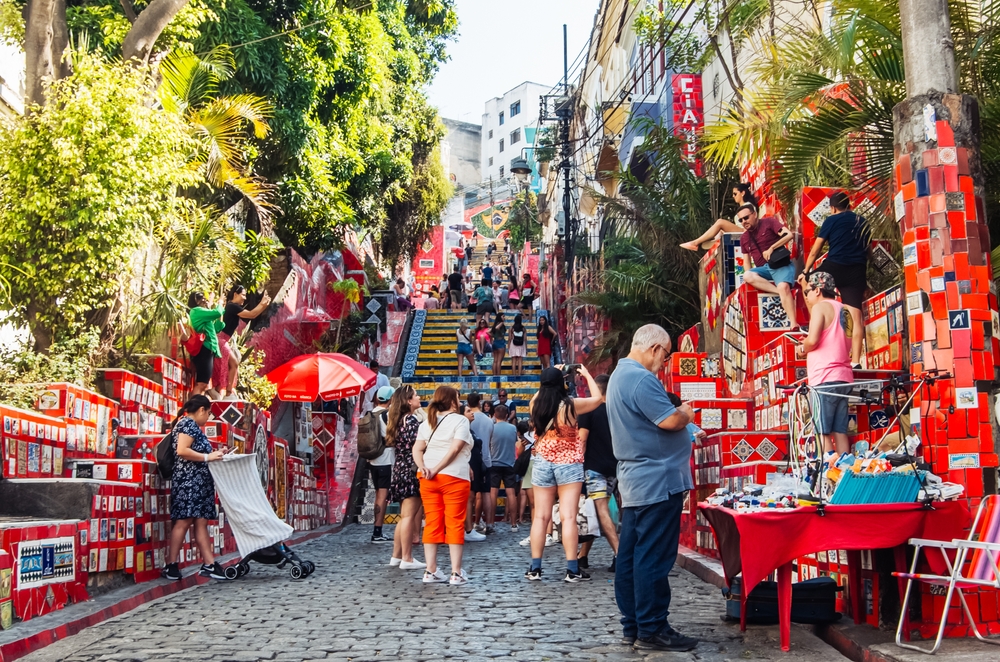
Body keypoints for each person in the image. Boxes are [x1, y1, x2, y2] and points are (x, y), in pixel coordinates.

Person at [606, 324, 698, 652]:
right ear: (655, 348)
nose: (665, 361)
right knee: (653, 556)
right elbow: (669, 420)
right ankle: (652, 627)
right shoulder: (640, 378)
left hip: (637, 480)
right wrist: (685, 413)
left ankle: (634, 624)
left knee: (633, 554)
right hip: (656, 480)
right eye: (666, 354)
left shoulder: (619, 375)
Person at [525, 365, 604, 583]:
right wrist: (587, 375)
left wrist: (550, 377)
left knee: (540, 517)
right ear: (562, 383)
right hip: (568, 463)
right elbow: (597, 399)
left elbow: (543, 392)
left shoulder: (535, 404)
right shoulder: (570, 405)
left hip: (542, 463)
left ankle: (535, 568)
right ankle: (572, 568)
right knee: (568, 516)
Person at [412, 386, 474, 585]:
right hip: (454, 476)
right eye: (457, 398)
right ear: (452, 401)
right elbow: (456, 448)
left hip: (428, 478)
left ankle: (430, 570)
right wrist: (437, 468)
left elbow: (417, 449)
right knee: (454, 522)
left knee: (431, 521)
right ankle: (456, 572)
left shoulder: (427, 421)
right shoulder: (460, 420)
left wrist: (424, 468)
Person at [800, 191, 870, 366]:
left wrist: (806, 270)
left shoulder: (831, 220)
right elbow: (868, 250)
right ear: (849, 205)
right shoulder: (862, 221)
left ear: (832, 208)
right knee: (856, 317)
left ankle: (816, 323)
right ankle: (855, 361)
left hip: (834, 267)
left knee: (806, 284)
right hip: (857, 270)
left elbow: (816, 250)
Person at [162, 395, 228, 581]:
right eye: (208, 413)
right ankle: (171, 564)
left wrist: (214, 454)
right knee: (183, 521)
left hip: (197, 483)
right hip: (189, 482)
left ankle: (209, 563)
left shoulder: (191, 426)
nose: (208, 417)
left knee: (200, 522)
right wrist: (208, 457)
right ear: (201, 410)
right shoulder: (188, 425)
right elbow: (182, 450)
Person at [797, 272, 854, 455]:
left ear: (818, 290)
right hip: (844, 377)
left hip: (824, 377)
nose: (807, 296)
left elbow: (813, 340)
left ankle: (829, 474)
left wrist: (802, 348)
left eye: (807, 292)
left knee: (822, 432)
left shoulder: (820, 308)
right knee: (840, 431)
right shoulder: (845, 309)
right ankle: (843, 471)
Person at [576, 374, 619, 573]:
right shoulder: (616, 411)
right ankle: (582, 556)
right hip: (613, 467)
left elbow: (582, 439)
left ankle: (620, 556)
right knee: (594, 510)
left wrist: (576, 463)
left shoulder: (588, 409)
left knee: (601, 511)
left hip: (593, 467)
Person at [738, 203, 799, 328]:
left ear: (754, 214)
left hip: (779, 265)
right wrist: (749, 283)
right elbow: (746, 261)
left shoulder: (769, 222)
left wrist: (772, 248)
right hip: (763, 269)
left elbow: (788, 234)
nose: (744, 221)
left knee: (783, 287)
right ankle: (778, 293)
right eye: (741, 220)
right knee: (747, 275)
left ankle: (794, 323)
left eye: (746, 217)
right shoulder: (744, 238)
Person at [387, 385, 426, 570]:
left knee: (404, 517)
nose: (419, 398)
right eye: (416, 395)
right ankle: (407, 557)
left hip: (400, 469)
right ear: (408, 401)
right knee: (409, 516)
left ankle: (397, 555)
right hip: (411, 470)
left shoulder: (399, 420)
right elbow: (419, 446)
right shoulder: (411, 422)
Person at [214, 285, 271, 400]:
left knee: (225, 366)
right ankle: (228, 392)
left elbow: (253, 315)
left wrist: (263, 305)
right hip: (221, 340)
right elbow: (252, 315)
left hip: (222, 340)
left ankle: (224, 392)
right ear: (235, 294)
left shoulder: (232, 307)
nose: (245, 298)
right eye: (243, 295)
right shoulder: (232, 307)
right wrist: (262, 304)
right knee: (233, 363)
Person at [680, 183, 759, 251]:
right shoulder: (744, 207)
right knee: (720, 231)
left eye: (735, 194)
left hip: (746, 232)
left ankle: (695, 243)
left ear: (743, 193)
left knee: (720, 222)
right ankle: (717, 240)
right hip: (741, 232)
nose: (733, 196)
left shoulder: (748, 206)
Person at [369, 386, 395, 543]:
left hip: (373, 460)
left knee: (379, 492)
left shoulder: (370, 414)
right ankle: (377, 532)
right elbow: (391, 437)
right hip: (385, 459)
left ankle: (377, 530)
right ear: (390, 399)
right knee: (382, 495)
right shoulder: (386, 415)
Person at [467, 392, 495, 535]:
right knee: (485, 493)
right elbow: (490, 439)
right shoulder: (488, 420)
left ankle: (470, 524)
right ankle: (489, 522)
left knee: (470, 494)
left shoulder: (466, 418)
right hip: (485, 459)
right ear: (479, 402)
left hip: (470, 460)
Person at [489, 405, 520, 531]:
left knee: (492, 494)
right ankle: (513, 523)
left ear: (494, 415)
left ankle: (490, 523)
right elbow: (515, 443)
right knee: (511, 493)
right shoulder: (512, 428)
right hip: (509, 464)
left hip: (494, 463)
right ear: (507, 415)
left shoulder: (491, 428)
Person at [187, 292, 224, 397]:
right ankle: (194, 409)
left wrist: (219, 310)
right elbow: (217, 312)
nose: (204, 300)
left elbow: (218, 327)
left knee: (203, 384)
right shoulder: (196, 311)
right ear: (195, 301)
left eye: (204, 298)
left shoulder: (203, 313)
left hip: (208, 350)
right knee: (201, 384)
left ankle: (196, 407)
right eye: (200, 298)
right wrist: (220, 303)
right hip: (204, 350)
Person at [460, 404, 487, 543]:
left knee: (471, 497)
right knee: (469, 497)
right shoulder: (462, 430)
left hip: (474, 465)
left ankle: (469, 527)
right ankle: (468, 528)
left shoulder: (469, 429)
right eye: (468, 411)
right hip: (469, 466)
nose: (472, 413)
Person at [515, 421, 534, 524]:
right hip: (530, 465)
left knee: (531, 500)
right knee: (532, 500)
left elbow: (518, 453)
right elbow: (520, 453)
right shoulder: (527, 436)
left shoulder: (526, 436)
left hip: (532, 466)